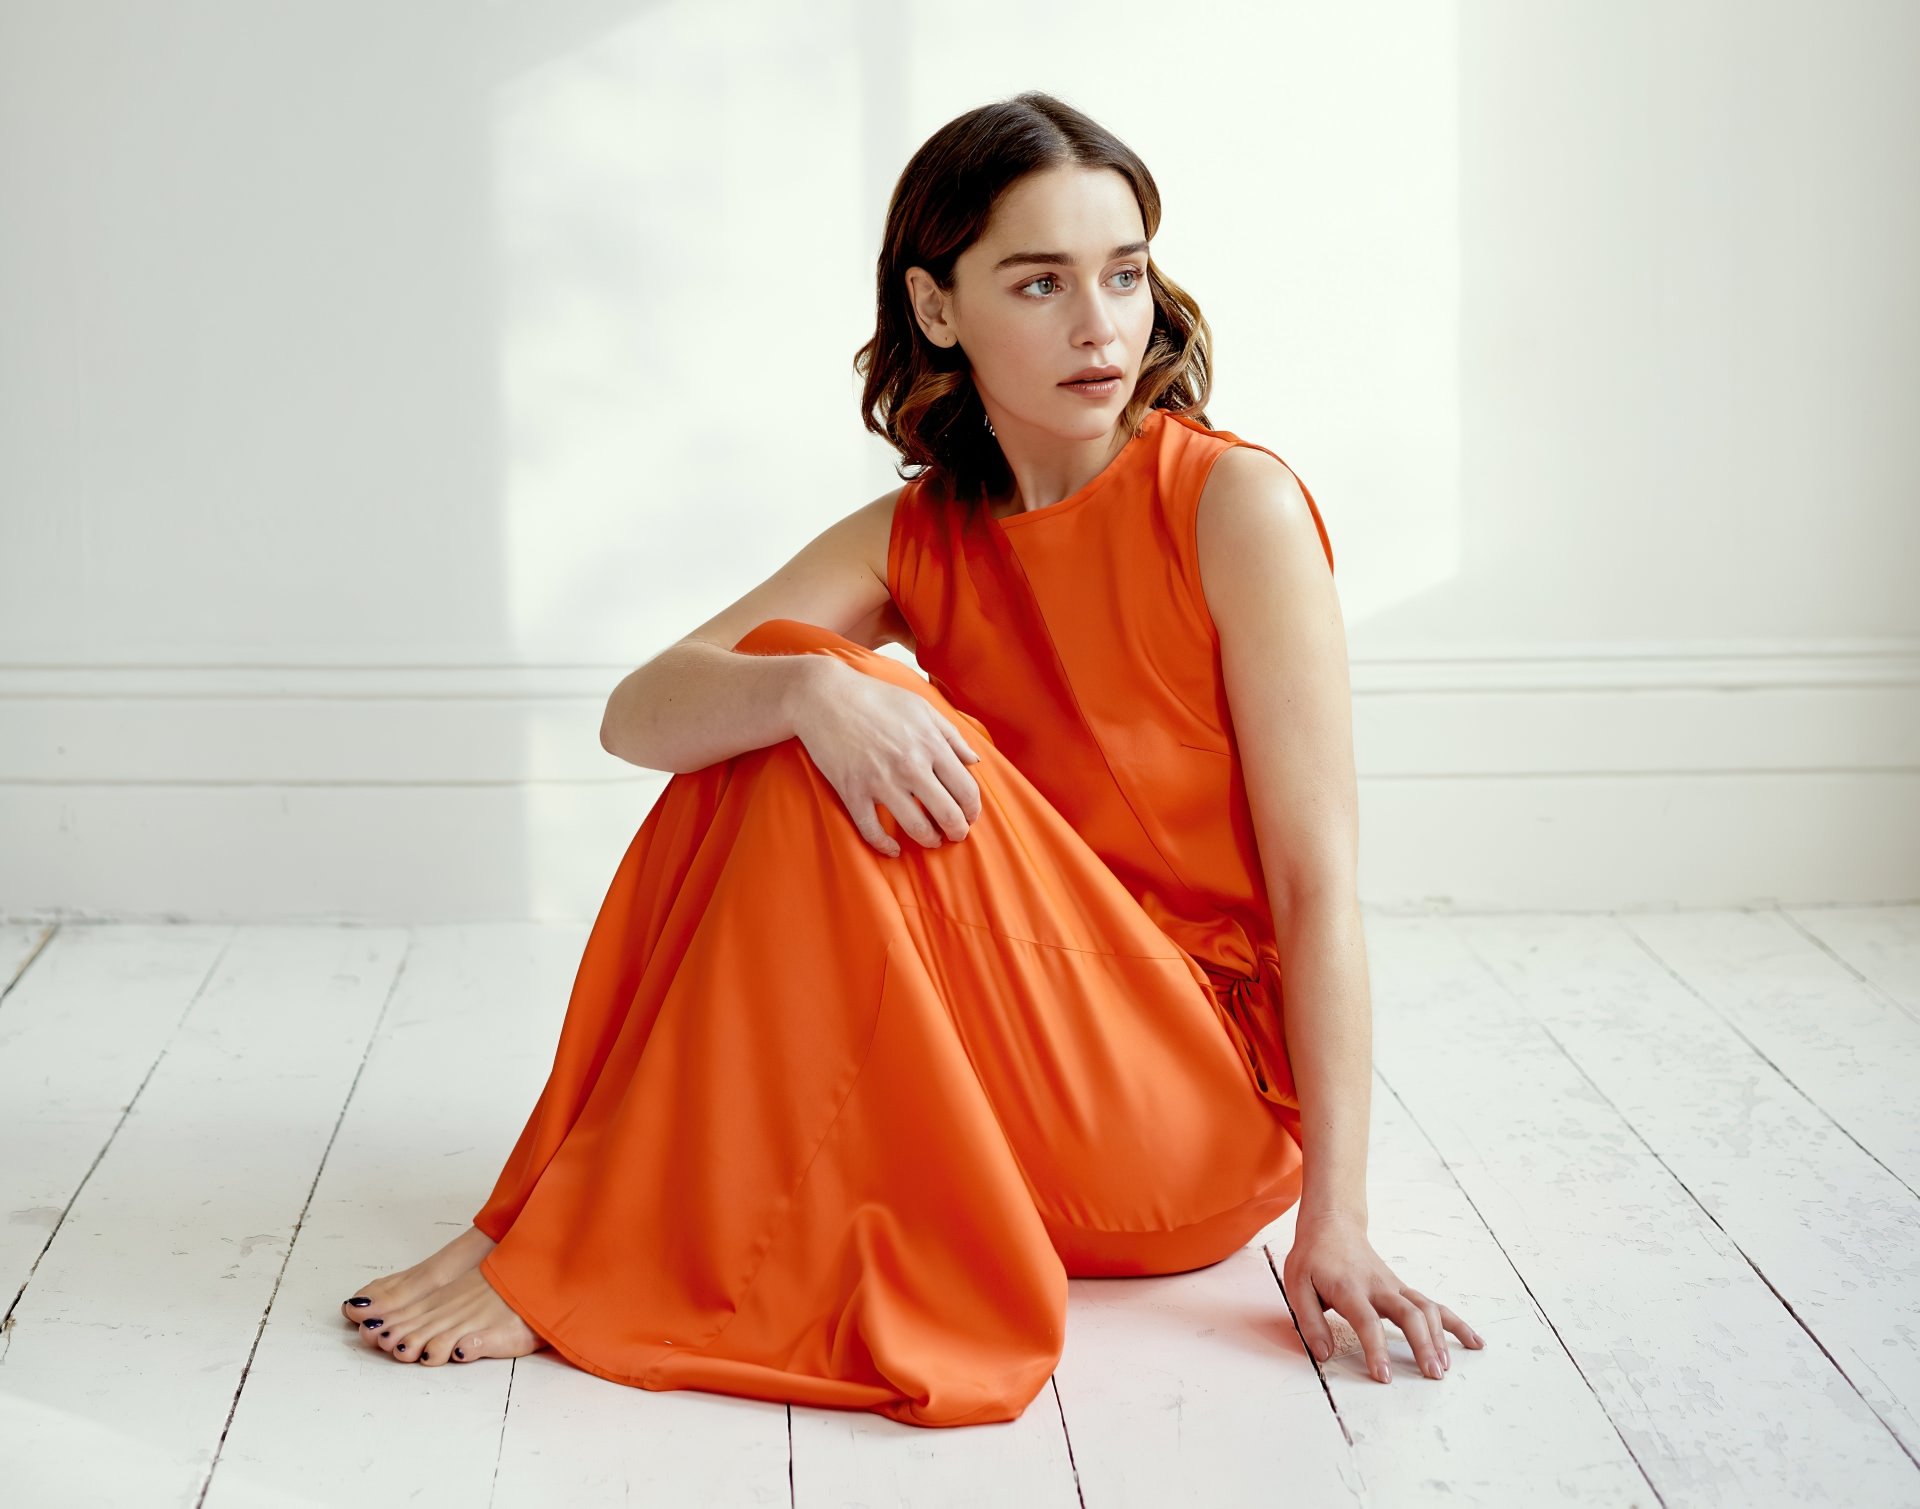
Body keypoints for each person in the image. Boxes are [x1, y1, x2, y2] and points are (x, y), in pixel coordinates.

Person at [337, 89, 1484, 1426]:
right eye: (1039, 281)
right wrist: (813, 690)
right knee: (785, 698)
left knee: (829, 689)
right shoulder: (922, 533)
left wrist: (1334, 1219)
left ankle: (574, 1233)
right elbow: (637, 711)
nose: (1100, 323)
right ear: (939, 308)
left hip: (1196, 1118)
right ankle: (570, 1211)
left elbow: (1318, 883)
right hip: (1030, 1108)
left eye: (1123, 273)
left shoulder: (1233, 503)